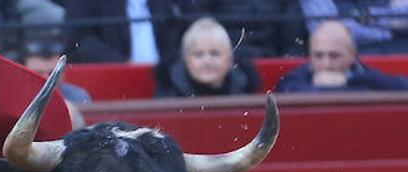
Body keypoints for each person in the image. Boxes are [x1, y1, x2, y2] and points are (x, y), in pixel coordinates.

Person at [276, 17, 408, 90]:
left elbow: (402, 87)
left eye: (334, 55)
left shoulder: (367, 76)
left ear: (352, 55)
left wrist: (348, 81)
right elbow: (283, 92)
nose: (326, 63)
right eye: (318, 55)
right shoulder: (292, 81)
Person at [154, 16, 260, 97]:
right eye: (199, 54)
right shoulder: (168, 97)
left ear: (230, 58)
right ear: (186, 59)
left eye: (215, 53)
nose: (207, 61)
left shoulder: (245, 92)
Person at [62, 0, 183, 64]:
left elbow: (186, 30)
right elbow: (78, 39)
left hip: (167, 80)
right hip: (113, 78)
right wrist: (123, 63)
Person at [301, 1, 408, 54]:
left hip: (401, 51)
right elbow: (326, 30)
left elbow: (404, 15)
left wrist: (367, 17)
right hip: (347, 58)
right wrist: (388, 30)